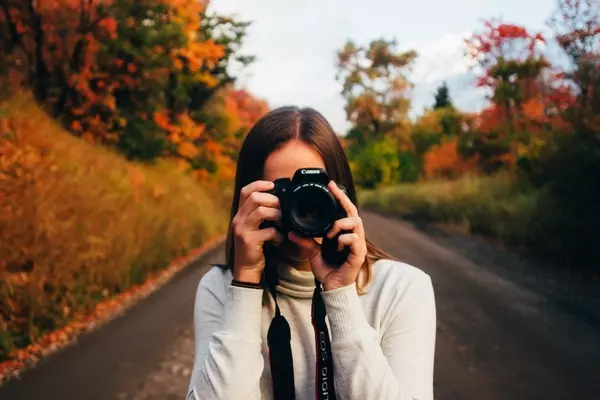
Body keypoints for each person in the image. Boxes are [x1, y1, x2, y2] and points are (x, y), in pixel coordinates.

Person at [186, 106, 437, 400]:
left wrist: (341, 293)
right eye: (283, 192)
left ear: (342, 193)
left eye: (314, 191)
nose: (301, 208)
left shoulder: (402, 288)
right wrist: (245, 282)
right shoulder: (221, 287)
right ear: (249, 198)